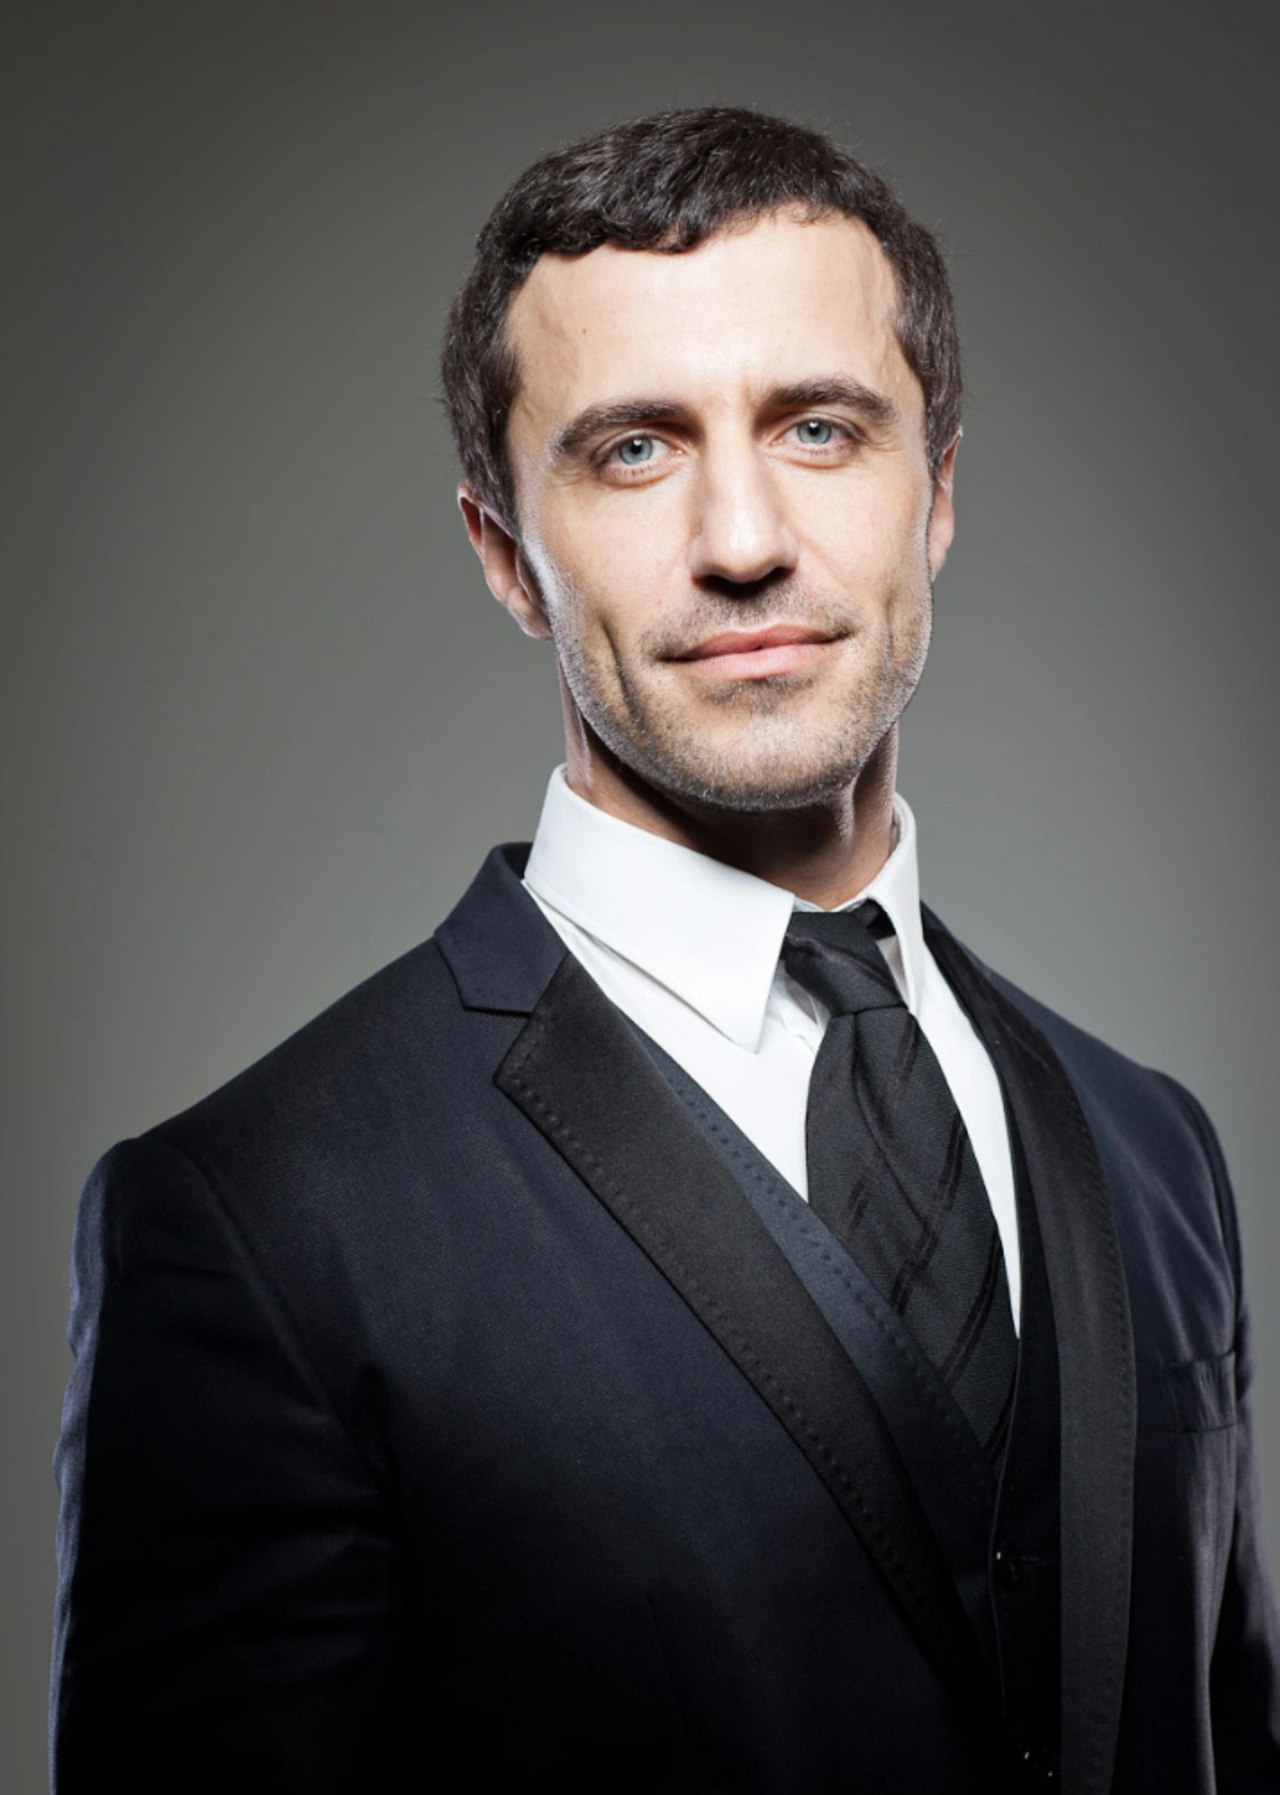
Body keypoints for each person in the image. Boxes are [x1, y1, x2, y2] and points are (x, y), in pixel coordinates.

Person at [50, 106, 1280, 1793]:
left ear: (937, 493)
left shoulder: (1157, 1151)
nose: (745, 537)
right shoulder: (257, 1225)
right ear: (506, 555)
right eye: (634, 449)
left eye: (821, 427)